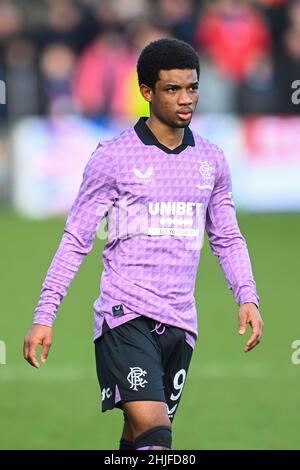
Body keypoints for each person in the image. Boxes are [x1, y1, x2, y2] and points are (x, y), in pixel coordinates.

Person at [23, 38, 264, 451]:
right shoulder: (113, 158)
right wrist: (45, 315)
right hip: (124, 316)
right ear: (147, 92)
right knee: (157, 434)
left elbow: (226, 236)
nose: (185, 99)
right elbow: (76, 238)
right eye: (172, 90)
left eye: (192, 88)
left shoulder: (212, 160)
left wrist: (247, 296)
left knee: (137, 441)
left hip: (181, 324)